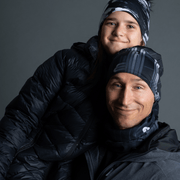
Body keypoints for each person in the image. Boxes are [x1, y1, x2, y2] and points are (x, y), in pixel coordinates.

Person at [1, 0, 152, 179]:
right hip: (28, 165)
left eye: (130, 26)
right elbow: (21, 117)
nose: (118, 32)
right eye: (111, 22)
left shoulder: (143, 84)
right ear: (101, 28)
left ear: (142, 40)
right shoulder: (67, 61)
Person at [74, 46, 180, 180]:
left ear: (155, 95)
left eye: (138, 87)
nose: (124, 100)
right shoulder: (83, 145)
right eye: (117, 85)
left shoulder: (169, 171)